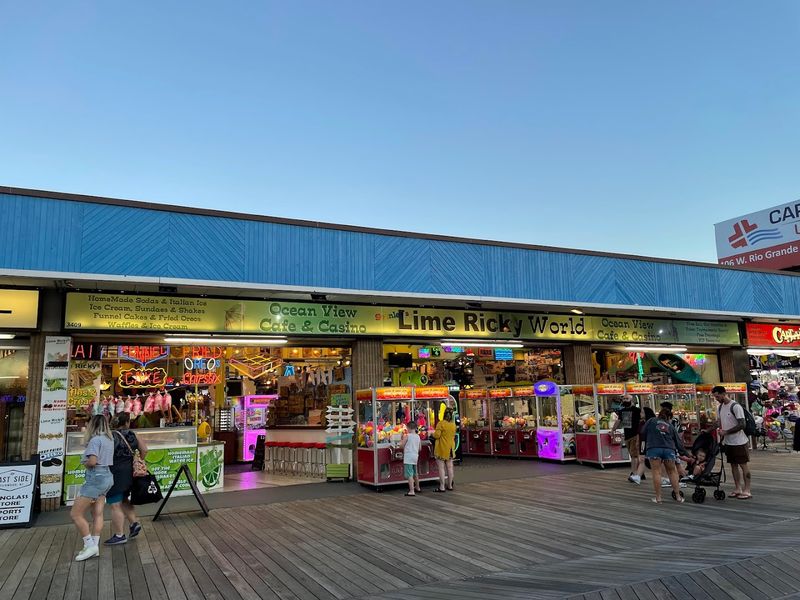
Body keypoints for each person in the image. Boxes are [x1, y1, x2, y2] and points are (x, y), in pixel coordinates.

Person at [70, 415, 114, 561]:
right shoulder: (109, 439)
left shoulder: (95, 440)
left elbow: (93, 461)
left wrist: (85, 462)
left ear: (92, 425)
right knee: (98, 514)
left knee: (75, 514)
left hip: (95, 478)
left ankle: (89, 545)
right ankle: (95, 547)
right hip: (107, 477)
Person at [104, 412, 147, 545]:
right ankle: (134, 523)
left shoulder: (110, 436)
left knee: (114, 504)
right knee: (123, 499)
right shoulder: (133, 434)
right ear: (127, 422)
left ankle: (119, 535)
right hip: (129, 472)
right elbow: (144, 450)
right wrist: (138, 461)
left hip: (115, 472)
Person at [713, 385, 752, 500]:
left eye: (717, 396)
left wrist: (726, 432)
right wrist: (708, 430)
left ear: (723, 394)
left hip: (739, 441)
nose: (716, 398)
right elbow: (719, 422)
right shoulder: (720, 407)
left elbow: (742, 424)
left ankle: (747, 489)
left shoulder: (735, 406)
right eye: (715, 396)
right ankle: (738, 488)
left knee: (743, 465)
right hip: (728, 442)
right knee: (733, 465)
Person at [642, 407, 686, 504]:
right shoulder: (670, 426)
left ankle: (658, 498)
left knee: (656, 472)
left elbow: (643, 432)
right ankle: (678, 497)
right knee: (672, 472)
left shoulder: (651, 421)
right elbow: (678, 442)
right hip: (669, 449)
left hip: (654, 448)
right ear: (669, 417)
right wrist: (685, 453)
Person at [611, 396, 643, 484]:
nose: (625, 401)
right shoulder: (622, 411)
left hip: (635, 435)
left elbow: (642, 419)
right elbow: (618, 421)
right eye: (624, 399)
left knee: (634, 456)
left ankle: (634, 473)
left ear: (631, 400)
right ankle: (640, 472)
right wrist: (613, 430)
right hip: (627, 435)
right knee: (634, 455)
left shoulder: (636, 410)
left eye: (627, 399)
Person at [432, 408, 457, 492]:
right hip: (450, 449)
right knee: (450, 468)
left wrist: (432, 433)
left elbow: (437, 435)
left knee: (441, 468)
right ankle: (450, 485)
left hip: (441, 449)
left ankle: (442, 486)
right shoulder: (453, 425)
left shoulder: (441, 424)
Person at [398, 421, 421, 497]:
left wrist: (401, 440)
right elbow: (420, 448)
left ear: (409, 428)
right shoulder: (418, 436)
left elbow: (401, 446)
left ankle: (411, 491)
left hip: (408, 456)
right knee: (415, 472)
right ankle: (417, 487)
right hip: (415, 456)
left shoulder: (407, 436)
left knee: (409, 474)